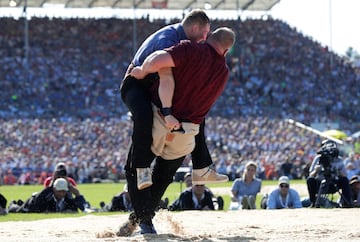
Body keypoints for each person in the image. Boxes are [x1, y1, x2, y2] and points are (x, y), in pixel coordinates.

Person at [118, 27, 235, 236]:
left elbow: (158, 61)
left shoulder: (190, 49)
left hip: (161, 121)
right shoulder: (223, 72)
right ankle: (140, 219)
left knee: (136, 168)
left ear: (206, 37)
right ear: (226, 52)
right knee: (163, 175)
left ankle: (143, 220)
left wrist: (143, 72)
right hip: (188, 132)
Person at [120, 9, 227, 191]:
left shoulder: (183, 43)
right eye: (204, 33)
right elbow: (164, 76)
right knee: (143, 115)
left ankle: (202, 167)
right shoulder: (170, 40)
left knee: (195, 115)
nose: (204, 38)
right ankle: (142, 167)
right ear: (194, 28)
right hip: (137, 82)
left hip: (154, 83)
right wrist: (168, 112)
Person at [306, 139, 353, 208]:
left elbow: (345, 175)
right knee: (310, 180)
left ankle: (347, 202)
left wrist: (338, 172)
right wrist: (316, 170)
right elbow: (311, 175)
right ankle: (313, 201)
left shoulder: (339, 159)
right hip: (320, 183)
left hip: (334, 183)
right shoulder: (318, 158)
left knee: (344, 180)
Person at [11, 178, 85, 213]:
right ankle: (12, 204)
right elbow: (38, 200)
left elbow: (82, 207)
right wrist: (50, 187)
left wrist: (77, 194)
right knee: (18, 210)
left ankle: (20, 202)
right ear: (54, 189)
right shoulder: (46, 198)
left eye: (63, 191)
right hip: (31, 204)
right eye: (59, 191)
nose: (61, 194)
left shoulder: (68, 198)